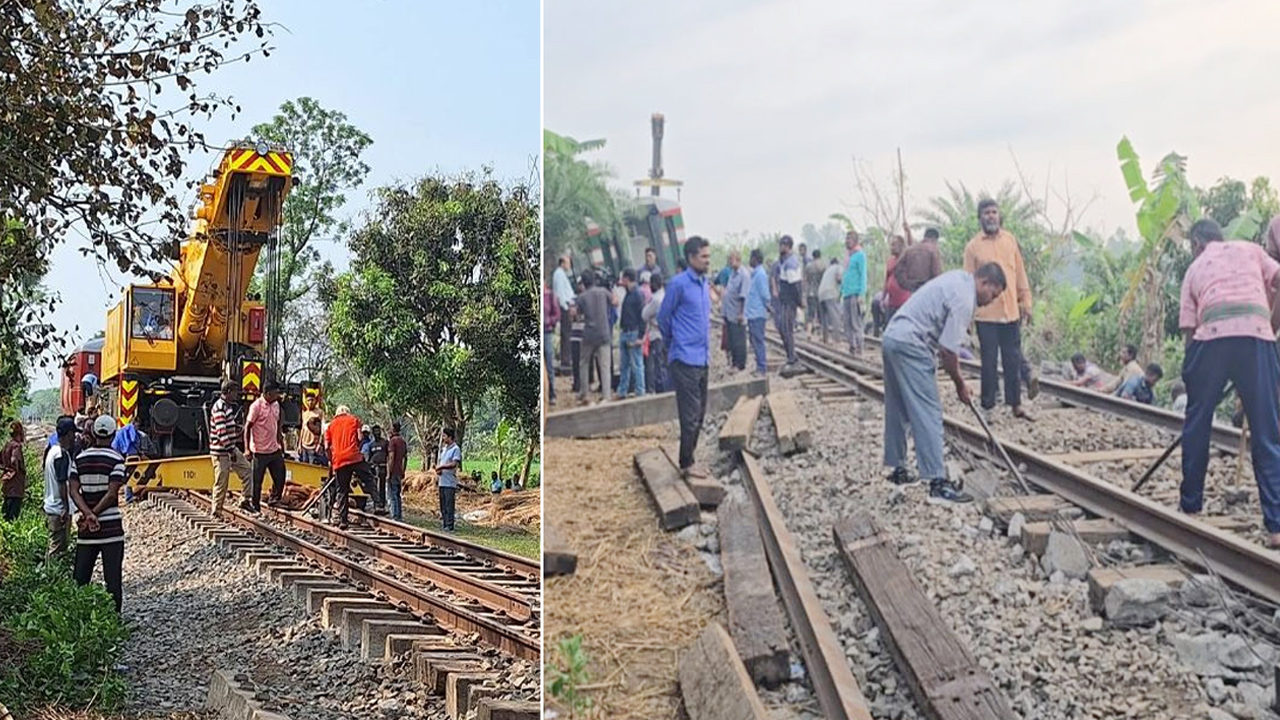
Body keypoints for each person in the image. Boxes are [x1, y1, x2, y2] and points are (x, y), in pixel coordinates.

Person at [1177, 218, 1280, 546]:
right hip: (1257, 336)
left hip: (1212, 338)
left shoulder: (1195, 268)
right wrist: (1270, 325)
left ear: (1197, 244)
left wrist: (1195, 383)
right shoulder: (1252, 250)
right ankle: (1277, 526)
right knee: (1267, 432)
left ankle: (1190, 507)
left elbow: (1189, 333)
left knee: (1197, 423)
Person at [882, 263, 1008, 505]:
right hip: (912, 343)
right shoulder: (965, 299)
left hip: (892, 337)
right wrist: (960, 384)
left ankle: (898, 469)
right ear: (984, 282)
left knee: (897, 407)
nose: (990, 301)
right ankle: (937, 482)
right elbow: (948, 351)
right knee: (928, 412)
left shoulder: (957, 279)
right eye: (993, 294)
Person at [963, 199, 1034, 421]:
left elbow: (1020, 273)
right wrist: (967, 315)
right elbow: (967, 281)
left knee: (1013, 360)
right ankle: (988, 407)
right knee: (989, 363)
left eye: (994, 212)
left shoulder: (1010, 240)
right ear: (980, 217)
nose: (991, 216)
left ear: (999, 215)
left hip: (1011, 312)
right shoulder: (973, 247)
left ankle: (1016, 404)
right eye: (986, 213)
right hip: (986, 315)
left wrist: (1026, 301)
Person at [659, 236, 713, 480]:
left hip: (702, 358)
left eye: (708, 256)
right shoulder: (678, 284)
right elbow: (663, 317)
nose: (707, 260)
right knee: (690, 414)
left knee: (699, 413)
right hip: (684, 358)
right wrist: (674, 341)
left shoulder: (703, 283)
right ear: (691, 258)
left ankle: (689, 458)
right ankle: (687, 463)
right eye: (703, 256)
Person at [69, 415, 126, 612]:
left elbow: (73, 491)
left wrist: (88, 514)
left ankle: (76, 616)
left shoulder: (80, 459)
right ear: (113, 434)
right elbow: (111, 494)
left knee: (80, 578)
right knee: (113, 579)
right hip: (111, 528)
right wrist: (94, 514)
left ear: (93, 433)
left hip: (86, 529)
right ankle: (114, 619)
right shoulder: (117, 459)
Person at [323, 406, 381, 529]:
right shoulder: (354, 420)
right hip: (354, 457)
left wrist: (332, 460)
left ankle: (343, 521)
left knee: (342, 490)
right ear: (348, 412)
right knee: (369, 479)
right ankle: (378, 504)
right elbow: (360, 438)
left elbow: (327, 446)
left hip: (339, 461)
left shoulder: (330, 426)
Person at [208, 380, 252, 515]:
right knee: (221, 482)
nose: (236, 395)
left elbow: (226, 428)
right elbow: (221, 433)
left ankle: (245, 500)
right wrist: (231, 450)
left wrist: (237, 430)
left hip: (230, 449)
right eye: (234, 392)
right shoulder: (219, 408)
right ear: (228, 392)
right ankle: (216, 511)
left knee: (247, 470)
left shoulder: (228, 407)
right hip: (221, 452)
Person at [244, 383, 286, 511]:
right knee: (257, 481)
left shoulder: (276, 405)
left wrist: (279, 439)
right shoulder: (256, 406)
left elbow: (278, 422)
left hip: (274, 448)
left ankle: (274, 499)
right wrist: (247, 449)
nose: (277, 395)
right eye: (275, 393)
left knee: (280, 476)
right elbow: (247, 427)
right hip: (259, 450)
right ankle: (255, 505)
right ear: (268, 393)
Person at [576, 270, 615, 403]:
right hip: (604, 333)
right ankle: (606, 395)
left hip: (589, 334)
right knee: (605, 366)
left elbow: (577, 316)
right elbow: (615, 301)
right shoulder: (603, 292)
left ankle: (585, 393)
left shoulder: (582, 297)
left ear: (583, 283)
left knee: (584, 363)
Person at [44, 417, 76, 557]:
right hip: (59, 510)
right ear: (69, 434)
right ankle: (51, 571)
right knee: (57, 550)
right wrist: (65, 508)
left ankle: (49, 569)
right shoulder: (61, 455)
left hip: (53, 507)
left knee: (54, 547)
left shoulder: (52, 451)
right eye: (73, 434)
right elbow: (62, 482)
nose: (75, 437)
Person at [617, 268, 647, 398]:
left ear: (627, 279)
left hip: (633, 332)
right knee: (624, 365)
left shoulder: (637, 295)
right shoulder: (629, 294)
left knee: (637, 364)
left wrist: (640, 336)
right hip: (625, 331)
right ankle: (622, 390)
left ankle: (640, 390)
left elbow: (643, 317)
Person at [774, 236, 803, 367]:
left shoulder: (791, 263)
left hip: (789, 302)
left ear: (788, 247)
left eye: (783, 245)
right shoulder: (784, 262)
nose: (781, 247)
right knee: (782, 328)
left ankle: (792, 358)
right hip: (785, 301)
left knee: (786, 329)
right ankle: (791, 356)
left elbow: (795, 285)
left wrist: (799, 302)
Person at [745, 249, 771, 376]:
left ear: (755, 259)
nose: (749, 260)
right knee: (754, 341)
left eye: (751, 257)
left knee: (758, 341)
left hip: (757, 313)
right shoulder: (755, 274)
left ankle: (762, 368)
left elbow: (765, 295)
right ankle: (759, 366)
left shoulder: (760, 274)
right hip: (753, 313)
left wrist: (769, 307)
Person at [641, 273, 669, 394]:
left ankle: (660, 390)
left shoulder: (655, 300)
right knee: (665, 364)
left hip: (656, 335)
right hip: (665, 334)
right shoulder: (665, 296)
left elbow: (644, 315)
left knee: (657, 365)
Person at [841, 231, 868, 356]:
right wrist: (841, 292)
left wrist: (862, 294)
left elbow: (863, 275)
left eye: (850, 239)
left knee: (855, 323)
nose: (847, 241)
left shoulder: (860, 255)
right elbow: (845, 275)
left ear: (856, 241)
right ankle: (852, 346)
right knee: (847, 323)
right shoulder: (848, 257)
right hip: (846, 294)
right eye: (846, 239)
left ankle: (859, 348)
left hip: (855, 293)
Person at [895, 226, 944, 292]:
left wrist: (907, 284)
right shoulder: (933, 250)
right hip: (928, 288)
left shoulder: (909, 250)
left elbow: (897, 269)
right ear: (934, 239)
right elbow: (936, 273)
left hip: (913, 288)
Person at [722, 250, 749, 372]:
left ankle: (740, 364)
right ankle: (734, 363)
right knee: (732, 339)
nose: (729, 261)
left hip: (737, 313)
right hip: (730, 312)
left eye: (731, 259)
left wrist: (741, 313)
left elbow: (744, 296)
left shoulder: (743, 275)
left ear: (737, 259)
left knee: (739, 340)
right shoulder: (732, 274)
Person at [435, 428, 462, 531]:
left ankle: (450, 525)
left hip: (449, 482)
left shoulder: (455, 449)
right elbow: (441, 462)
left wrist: (442, 467)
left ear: (450, 437)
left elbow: (454, 464)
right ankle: (445, 523)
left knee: (449, 504)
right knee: (443, 504)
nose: (443, 438)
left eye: (445, 436)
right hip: (442, 481)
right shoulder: (444, 449)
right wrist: (438, 470)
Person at [552, 255, 576, 373]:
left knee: (567, 333)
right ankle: (566, 360)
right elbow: (560, 293)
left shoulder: (562, 274)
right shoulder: (559, 274)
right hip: (564, 307)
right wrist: (566, 307)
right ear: (562, 263)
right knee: (566, 334)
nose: (569, 265)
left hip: (566, 306)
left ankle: (567, 358)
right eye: (567, 263)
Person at [1, 421, 27, 521]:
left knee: (5, 515)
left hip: (7, 486)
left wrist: (5, 473)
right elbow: (14, 460)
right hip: (15, 487)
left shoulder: (7, 445)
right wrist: (14, 470)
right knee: (13, 517)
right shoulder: (16, 446)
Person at [818, 252, 843, 344]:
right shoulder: (838, 267)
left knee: (824, 318)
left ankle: (825, 338)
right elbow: (838, 278)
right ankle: (837, 339)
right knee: (835, 317)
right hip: (830, 293)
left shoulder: (827, 270)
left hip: (821, 294)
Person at [544, 281, 561, 407]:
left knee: (549, 364)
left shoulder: (549, 296)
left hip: (547, 332)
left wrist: (548, 321)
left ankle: (552, 394)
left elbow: (557, 314)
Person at [386, 421, 408, 521]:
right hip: (400, 471)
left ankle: (394, 515)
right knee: (398, 494)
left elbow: (391, 457)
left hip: (393, 471)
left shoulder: (392, 441)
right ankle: (399, 515)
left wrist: (389, 472)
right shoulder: (403, 442)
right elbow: (405, 458)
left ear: (393, 429)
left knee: (393, 494)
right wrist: (403, 470)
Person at [803, 249, 827, 334]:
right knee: (821, 314)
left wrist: (804, 292)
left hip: (811, 292)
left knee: (811, 313)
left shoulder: (808, 266)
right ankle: (821, 333)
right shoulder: (823, 266)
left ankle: (809, 332)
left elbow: (805, 280)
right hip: (821, 293)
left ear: (813, 256)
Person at [298, 392, 325, 466]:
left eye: (312, 400)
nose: (310, 402)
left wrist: (319, 444)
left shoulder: (319, 413)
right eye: (308, 400)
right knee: (304, 466)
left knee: (312, 466)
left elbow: (322, 429)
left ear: (315, 401)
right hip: (304, 445)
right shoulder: (304, 413)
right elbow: (302, 429)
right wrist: (299, 445)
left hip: (313, 446)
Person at [368, 425, 390, 512]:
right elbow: (370, 457)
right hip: (374, 468)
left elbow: (389, 455)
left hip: (382, 467)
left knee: (382, 486)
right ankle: (376, 504)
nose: (377, 433)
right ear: (373, 433)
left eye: (378, 431)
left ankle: (382, 504)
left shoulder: (385, 442)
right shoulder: (371, 445)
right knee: (374, 487)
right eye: (375, 431)